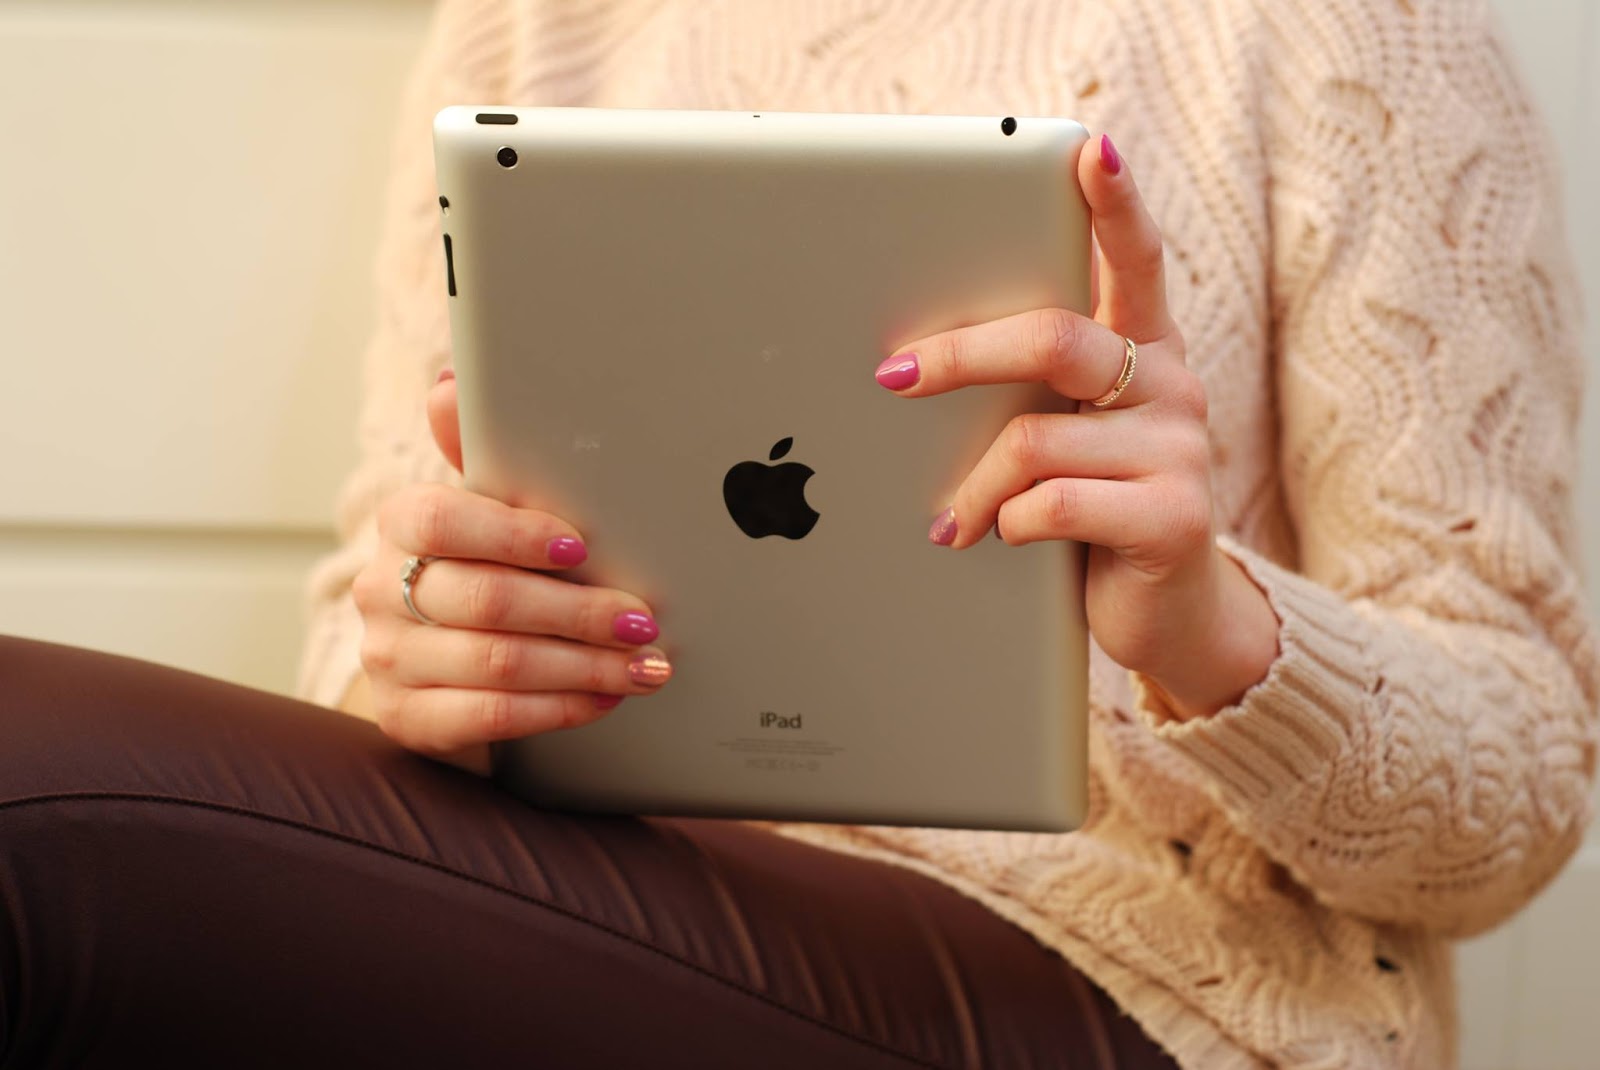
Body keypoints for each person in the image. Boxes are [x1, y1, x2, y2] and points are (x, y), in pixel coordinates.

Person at [1, 0, 1594, 1066]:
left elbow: (1526, 777)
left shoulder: (1341, 27)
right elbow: (373, 620)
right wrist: (429, 664)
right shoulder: (536, 24)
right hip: (587, 906)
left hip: (1132, 995)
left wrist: (1216, 628)